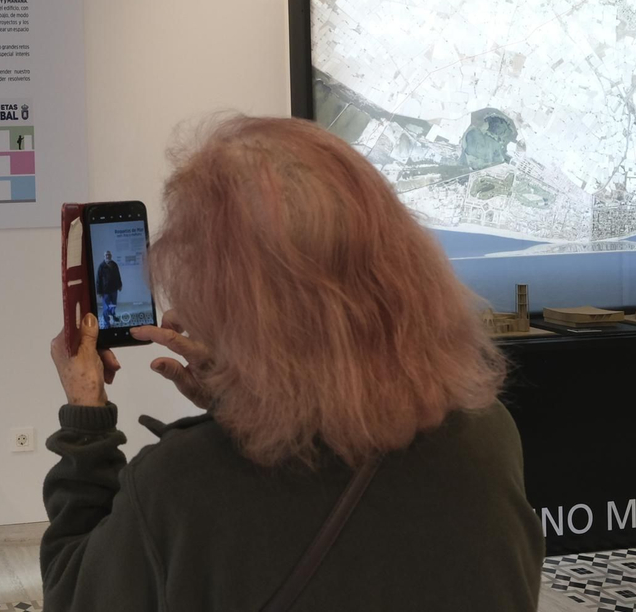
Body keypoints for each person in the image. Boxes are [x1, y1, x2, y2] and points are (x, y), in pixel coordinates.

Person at [43, 115, 542, 611]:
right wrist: (245, 401)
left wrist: (87, 421)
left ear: (229, 298)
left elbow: (73, 593)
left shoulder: (182, 486)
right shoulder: (488, 436)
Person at [94, 250, 122, 326]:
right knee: (106, 307)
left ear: (111, 256)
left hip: (114, 289)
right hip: (105, 291)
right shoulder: (101, 266)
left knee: (113, 305)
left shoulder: (114, 265)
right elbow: (98, 280)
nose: (107, 256)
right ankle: (107, 322)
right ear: (104, 256)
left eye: (109, 255)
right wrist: (99, 292)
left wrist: (120, 285)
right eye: (106, 255)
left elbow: (118, 275)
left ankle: (113, 315)